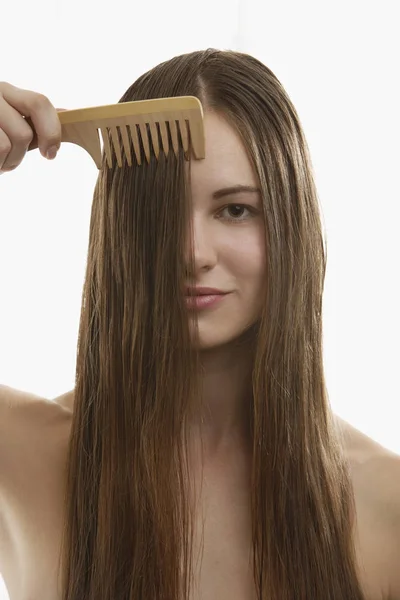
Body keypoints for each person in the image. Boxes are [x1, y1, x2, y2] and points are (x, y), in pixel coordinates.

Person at [0, 49, 399, 600]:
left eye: (235, 210)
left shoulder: (386, 502)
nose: (192, 252)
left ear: (292, 224)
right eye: (160, 211)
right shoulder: (24, 453)